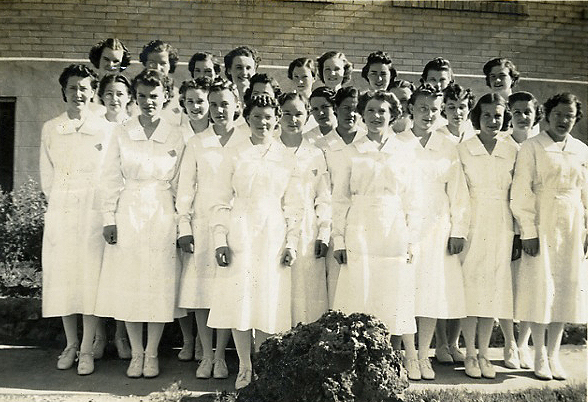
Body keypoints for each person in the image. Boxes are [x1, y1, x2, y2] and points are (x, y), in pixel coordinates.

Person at [207, 94, 302, 390]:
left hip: (272, 232)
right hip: (241, 230)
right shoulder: (234, 153)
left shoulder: (286, 157)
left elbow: (294, 205)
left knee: (267, 300)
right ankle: (245, 367)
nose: (263, 122)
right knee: (241, 299)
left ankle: (263, 365)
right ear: (247, 118)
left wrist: (291, 243)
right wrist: (220, 238)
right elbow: (220, 200)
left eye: (268, 116)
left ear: (277, 119)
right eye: (257, 116)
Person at [94, 69, 185, 379]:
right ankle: (135, 352)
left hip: (162, 212)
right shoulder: (122, 131)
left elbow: (180, 183)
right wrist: (109, 218)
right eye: (143, 95)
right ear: (135, 97)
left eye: (155, 96)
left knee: (158, 283)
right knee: (130, 283)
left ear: (166, 98)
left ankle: (152, 353)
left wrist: (179, 222)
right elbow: (108, 178)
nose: (148, 102)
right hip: (128, 211)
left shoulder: (176, 133)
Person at [332, 89, 419, 367]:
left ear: (393, 115)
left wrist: (411, 241)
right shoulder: (351, 152)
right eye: (370, 110)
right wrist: (339, 240)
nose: (376, 116)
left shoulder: (404, 152)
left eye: (382, 111)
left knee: (392, 293)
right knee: (360, 293)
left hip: (394, 229)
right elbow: (340, 198)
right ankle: (357, 360)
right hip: (360, 227)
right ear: (362, 114)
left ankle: (388, 361)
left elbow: (412, 200)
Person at [40, 64, 111, 375]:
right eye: (73, 88)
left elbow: (110, 173)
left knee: (90, 279)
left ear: (93, 91)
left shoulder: (105, 127)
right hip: (63, 209)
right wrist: (59, 203)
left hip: (93, 211)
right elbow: (47, 175)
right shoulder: (51, 127)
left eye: (84, 88)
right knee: (64, 279)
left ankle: (87, 349)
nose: (78, 93)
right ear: (64, 91)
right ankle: (71, 343)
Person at [511, 93, 587, 381]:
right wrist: (528, 231)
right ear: (547, 115)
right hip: (542, 223)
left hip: (571, 224)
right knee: (540, 288)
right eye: (558, 115)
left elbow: (586, 192)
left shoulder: (581, 150)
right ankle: (539, 353)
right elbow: (521, 192)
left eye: (569, 115)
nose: (563, 121)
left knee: (566, 288)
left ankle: (554, 354)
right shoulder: (532, 147)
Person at [396, 84, 469, 380]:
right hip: (404, 226)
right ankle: (408, 355)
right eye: (423, 108)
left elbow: (459, 193)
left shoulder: (447, 146)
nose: (428, 115)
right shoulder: (396, 143)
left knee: (430, 293)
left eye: (434, 110)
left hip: (438, 227)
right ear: (411, 109)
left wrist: (459, 230)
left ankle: (424, 354)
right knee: (404, 292)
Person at [176, 79, 248, 378]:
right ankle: (207, 355)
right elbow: (185, 188)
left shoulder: (246, 140)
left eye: (225, 104)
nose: (219, 110)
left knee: (227, 290)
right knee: (202, 291)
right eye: (214, 104)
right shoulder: (196, 142)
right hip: (202, 223)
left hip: (236, 223)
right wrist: (183, 226)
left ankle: (221, 356)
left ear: (237, 107)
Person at [457, 93, 518, 379]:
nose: (493, 121)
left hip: (502, 224)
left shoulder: (512, 149)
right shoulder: (465, 148)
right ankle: (469, 352)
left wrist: (518, 231)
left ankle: (484, 354)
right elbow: (459, 191)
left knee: (493, 289)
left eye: (498, 115)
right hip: (473, 221)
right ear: (476, 118)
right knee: (471, 287)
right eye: (486, 115)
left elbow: (516, 193)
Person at [278, 92, 330, 326]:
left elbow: (323, 197)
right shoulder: (270, 150)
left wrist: (324, 233)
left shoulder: (315, 153)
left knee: (307, 292)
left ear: (307, 115)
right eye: (286, 113)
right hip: (276, 225)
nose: (292, 119)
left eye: (298, 113)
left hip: (307, 230)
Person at [92, 73, 134, 361]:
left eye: (120, 93)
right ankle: (97, 337)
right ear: (101, 96)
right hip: (92, 210)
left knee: (120, 276)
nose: (115, 99)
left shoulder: (132, 128)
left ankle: (121, 336)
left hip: (124, 209)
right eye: (109, 93)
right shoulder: (94, 127)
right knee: (94, 277)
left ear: (128, 97)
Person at [502, 91, 544, 370]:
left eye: (527, 112)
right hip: (504, 223)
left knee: (529, 287)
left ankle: (524, 342)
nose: (521, 117)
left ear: (535, 114)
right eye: (516, 112)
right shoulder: (502, 144)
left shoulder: (540, 144)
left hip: (533, 226)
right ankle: (509, 343)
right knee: (506, 285)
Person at [315, 87, 367, 309]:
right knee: (331, 282)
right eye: (346, 108)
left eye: (356, 109)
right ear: (336, 109)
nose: (351, 114)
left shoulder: (367, 142)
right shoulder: (322, 145)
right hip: (330, 219)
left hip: (360, 220)